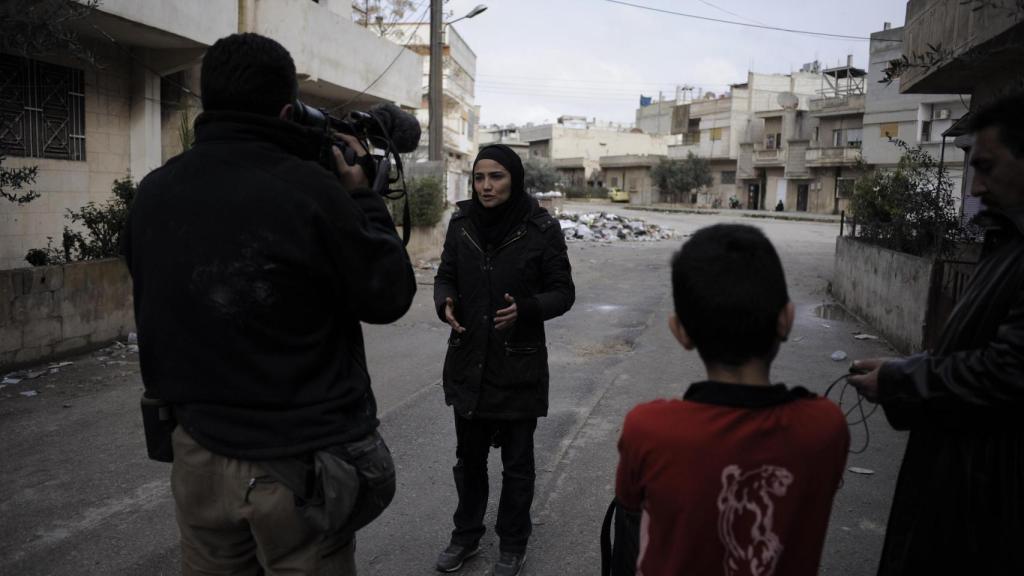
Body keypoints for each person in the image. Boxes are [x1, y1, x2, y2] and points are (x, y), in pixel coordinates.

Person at [124, 33, 416, 574]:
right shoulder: (310, 190)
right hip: (296, 467)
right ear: (286, 111)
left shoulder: (154, 192)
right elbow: (389, 295)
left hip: (197, 457)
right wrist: (362, 197)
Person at [850, 93, 1024, 575]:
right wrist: (908, 371)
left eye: (986, 166)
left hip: (990, 504)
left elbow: (1007, 373)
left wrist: (901, 380)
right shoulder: (1008, 241)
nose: (977, 186)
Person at [615, 224, 849, 576]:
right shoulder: (825, 427)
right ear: (786, 320)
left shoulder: (648, 429)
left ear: (680, 332)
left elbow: (630, 506)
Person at [432, 144, 575, 576]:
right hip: (469, 360)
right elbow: (446, 274)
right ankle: (466, 535)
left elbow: (563, 292)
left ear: (514, 179)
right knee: (469, 460)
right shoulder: (461, 224)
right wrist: (445, 301)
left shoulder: (540, 228)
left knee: (517, 464)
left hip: (518, 363)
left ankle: (513, 543)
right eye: (479, 177)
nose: (486, 186)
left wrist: (527, 309)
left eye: (496, 177)